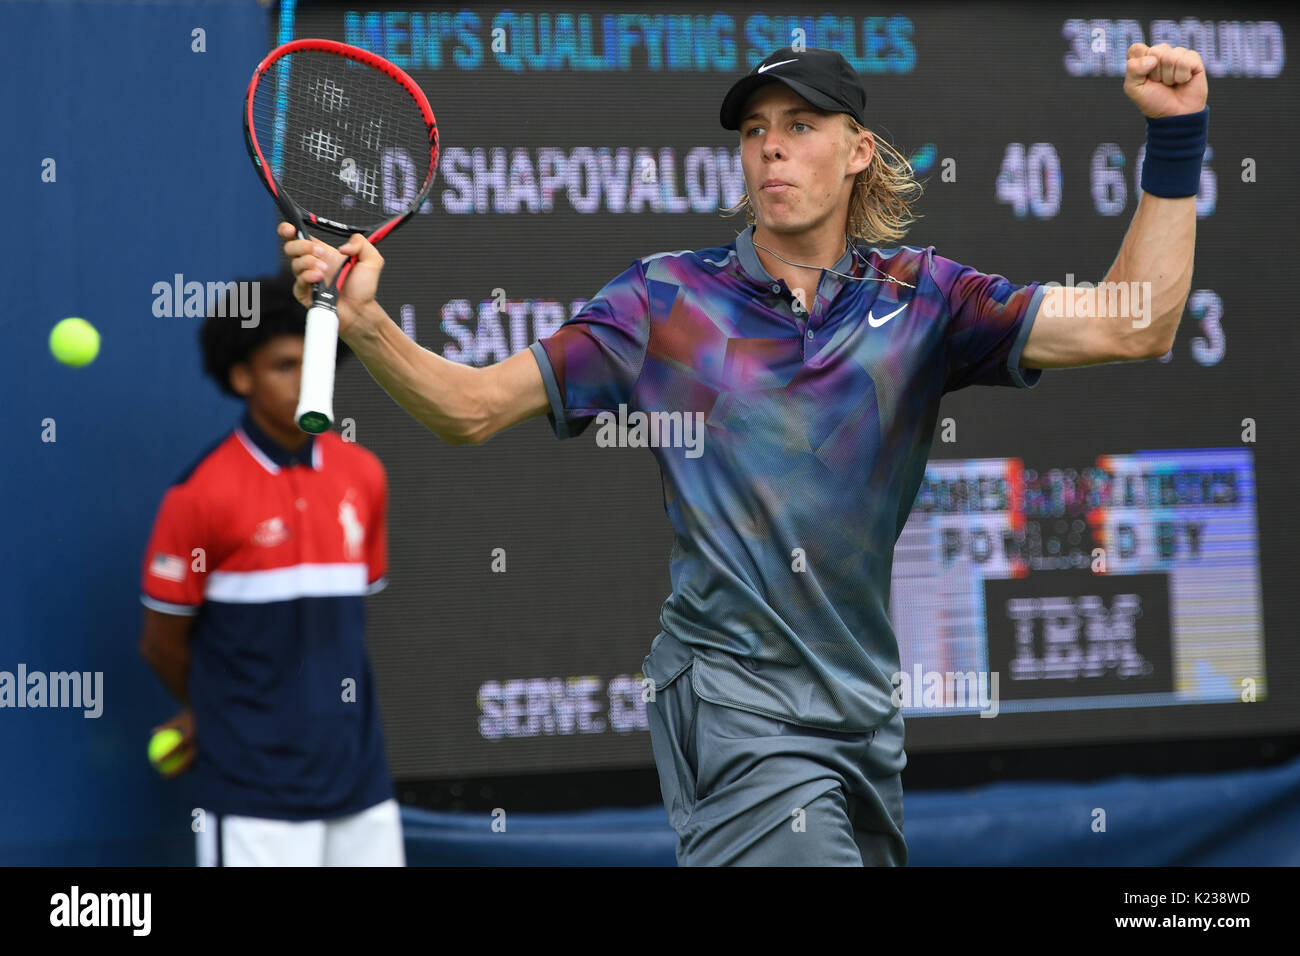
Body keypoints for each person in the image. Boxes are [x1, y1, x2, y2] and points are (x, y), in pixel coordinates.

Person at [278, 44, 1207, 866]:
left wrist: (1177, 140)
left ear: (858, 155)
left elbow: (1138, 324)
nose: (771, 146)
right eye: (755, 129)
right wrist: (366, 327)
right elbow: (471, 410)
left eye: (801, 126)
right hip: (730, 702)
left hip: (860, 712)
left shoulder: (927, 300)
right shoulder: (662, 301)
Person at [137, 272, 403, 866]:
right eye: (285, 365)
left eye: (316, 363)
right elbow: (161, 644)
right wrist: (217, 712)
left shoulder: (364, 476)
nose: (307, 381)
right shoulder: (199, 496)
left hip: (362, 787)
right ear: (241, 375)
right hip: (252, 794)